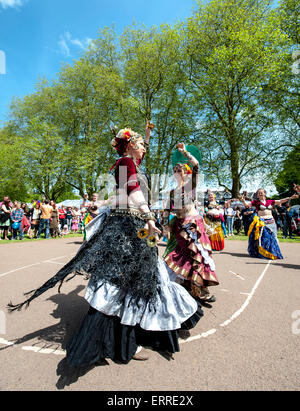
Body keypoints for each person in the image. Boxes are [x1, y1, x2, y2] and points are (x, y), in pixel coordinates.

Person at [8, 122, 203, 368]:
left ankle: (143, 331)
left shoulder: (133, 163)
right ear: (131, 145)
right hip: (133, 225)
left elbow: (131, 176)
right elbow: (132, 189)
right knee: (128, 278)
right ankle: (122, 338)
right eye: (140, 145)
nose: (144, 149)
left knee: (148, 274)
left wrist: (147, 135)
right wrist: (149, 215)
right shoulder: (124, 163)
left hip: (139, 227)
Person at [162, 143, 218, 302]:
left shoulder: (190, 186)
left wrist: (185, 152)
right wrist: (166, 225)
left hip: (193, 225)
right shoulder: (172, 193)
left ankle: (201, 289)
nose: (176, 173)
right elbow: (166, 210)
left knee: (197, 256)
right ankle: (185, 287)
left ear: (186, 173)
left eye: (179, 170)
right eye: (174, 171)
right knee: (181, 257)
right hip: (179, 227)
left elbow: (196, 165)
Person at [240, 189, 298, 259]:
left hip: (271, 222)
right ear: (257, 195)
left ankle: (274, 252)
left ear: (265, 193)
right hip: (262, 223)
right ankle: (264, 253)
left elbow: (280, 201)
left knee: (274, 237)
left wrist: (290, 197)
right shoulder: (256, 202)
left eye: (261, 192)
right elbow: (247, 205)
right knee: (263, 238)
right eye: (259, 193)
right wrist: (243, 201)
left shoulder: (270, 201)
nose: (260, 194)